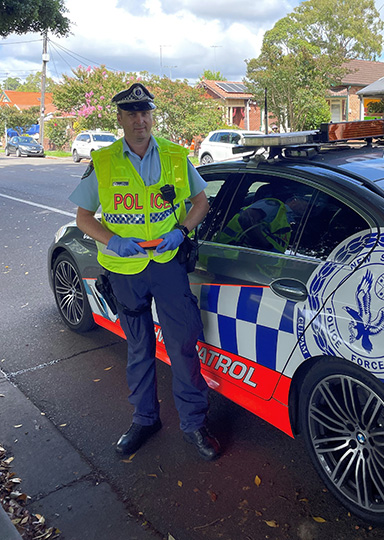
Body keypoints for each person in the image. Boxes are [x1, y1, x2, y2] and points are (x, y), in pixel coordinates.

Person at [69, 83, 220, 461]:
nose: (140, 120)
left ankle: (194, 424)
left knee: (183, 346)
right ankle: (144, 419)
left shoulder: (175, 155)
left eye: (145, 113)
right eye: (132, 114)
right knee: (138, 347)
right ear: (119, 119)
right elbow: (84, 218)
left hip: (167, 266)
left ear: (153, 116)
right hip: (124, 270)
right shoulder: (103, 161)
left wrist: (181, 230)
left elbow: (200, 203)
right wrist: (112, 239)